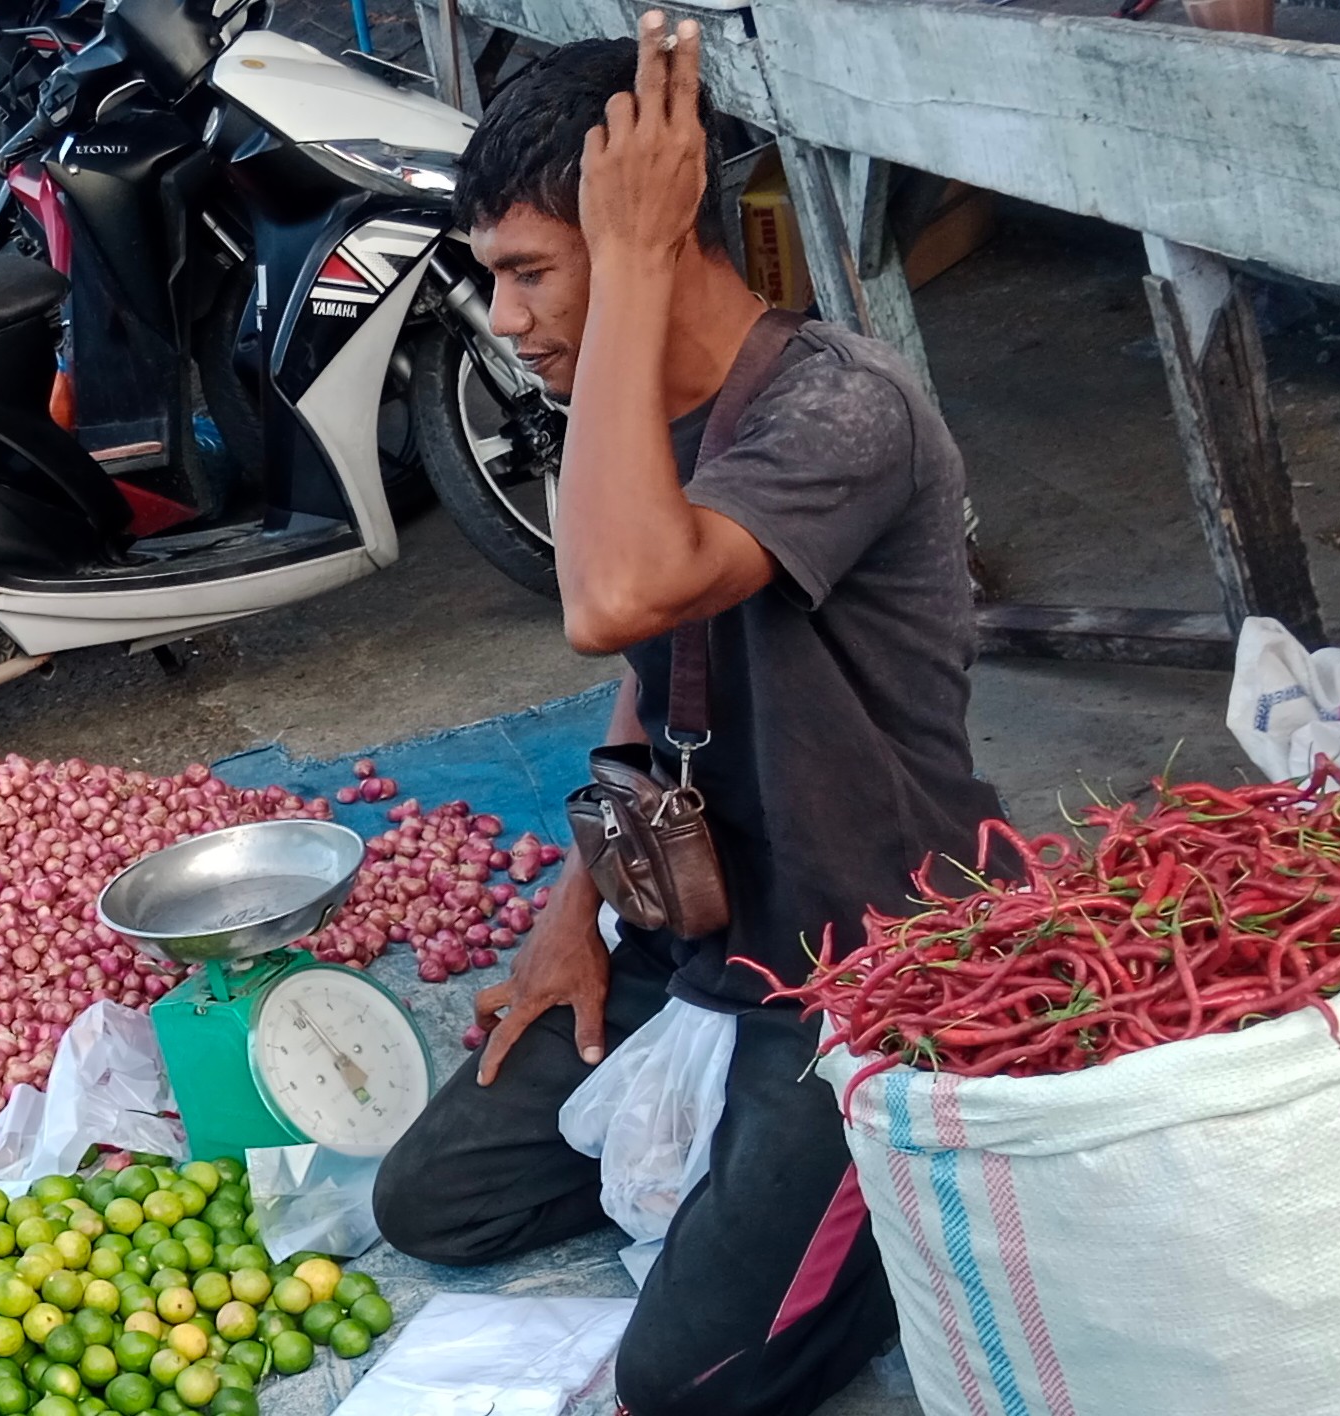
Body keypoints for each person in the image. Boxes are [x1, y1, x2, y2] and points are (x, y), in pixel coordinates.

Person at [371, 16, 1009, 1415]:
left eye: (534, 274)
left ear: (659, 235)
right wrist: (569, 916)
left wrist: (642, 262)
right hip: (700, 937)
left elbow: (611, 597)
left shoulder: (838, 411)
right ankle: (760, 1201)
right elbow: (647, 658)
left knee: (686, 1383)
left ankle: (886, 1218)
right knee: (433, 1205)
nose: (510, 323)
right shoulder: (633, 409)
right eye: (495, 280)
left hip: (864, 965)